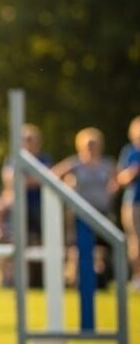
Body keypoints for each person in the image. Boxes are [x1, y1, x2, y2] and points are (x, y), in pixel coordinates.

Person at [53, 127, 118, 288]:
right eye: (88, 144)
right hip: (79, 212)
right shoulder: (75, 163)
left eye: (94, 144)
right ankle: (76, 279)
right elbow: (52, 175)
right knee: (78, 247)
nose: (91, 147)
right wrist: (67, 187)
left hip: (101, 211)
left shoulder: (106, 164)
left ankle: (100, 280)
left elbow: (117, 180)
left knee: (101, 248)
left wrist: (110, 191)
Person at [3, 124, 52, 244]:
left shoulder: (44, 159)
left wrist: (23, 180)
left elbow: (45, 179)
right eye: (25, 140)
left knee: (41, 239)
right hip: (19, 205)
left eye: (31, 140)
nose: (28, 143)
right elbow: (9, 179)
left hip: (39, 205)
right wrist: (32, 180)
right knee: (16, 237)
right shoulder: (14, 159)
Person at [116, 116, 140, 290]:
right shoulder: (129, 152)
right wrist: (133, 172)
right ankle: (137, 277)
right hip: (134, 203)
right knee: (135, 242)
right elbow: (120, 179)